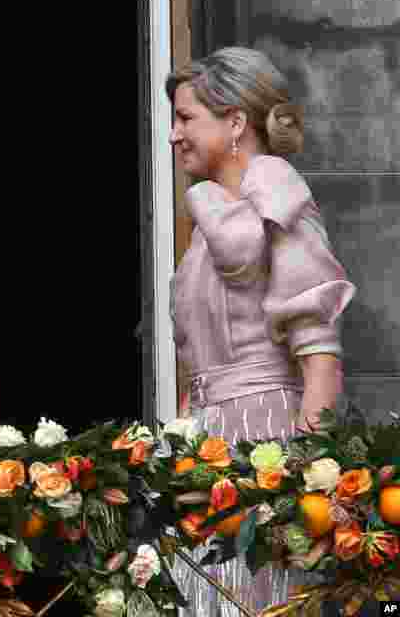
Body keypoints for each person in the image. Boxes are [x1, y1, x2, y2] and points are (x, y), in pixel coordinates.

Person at [167, 47, 355, 615]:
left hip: (266, 440)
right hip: (206, 442)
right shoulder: (209, 224)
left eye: (186, 118)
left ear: (235, 123)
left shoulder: (281, 205)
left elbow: (320, 357)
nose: (174, 135)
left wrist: (303, 479)